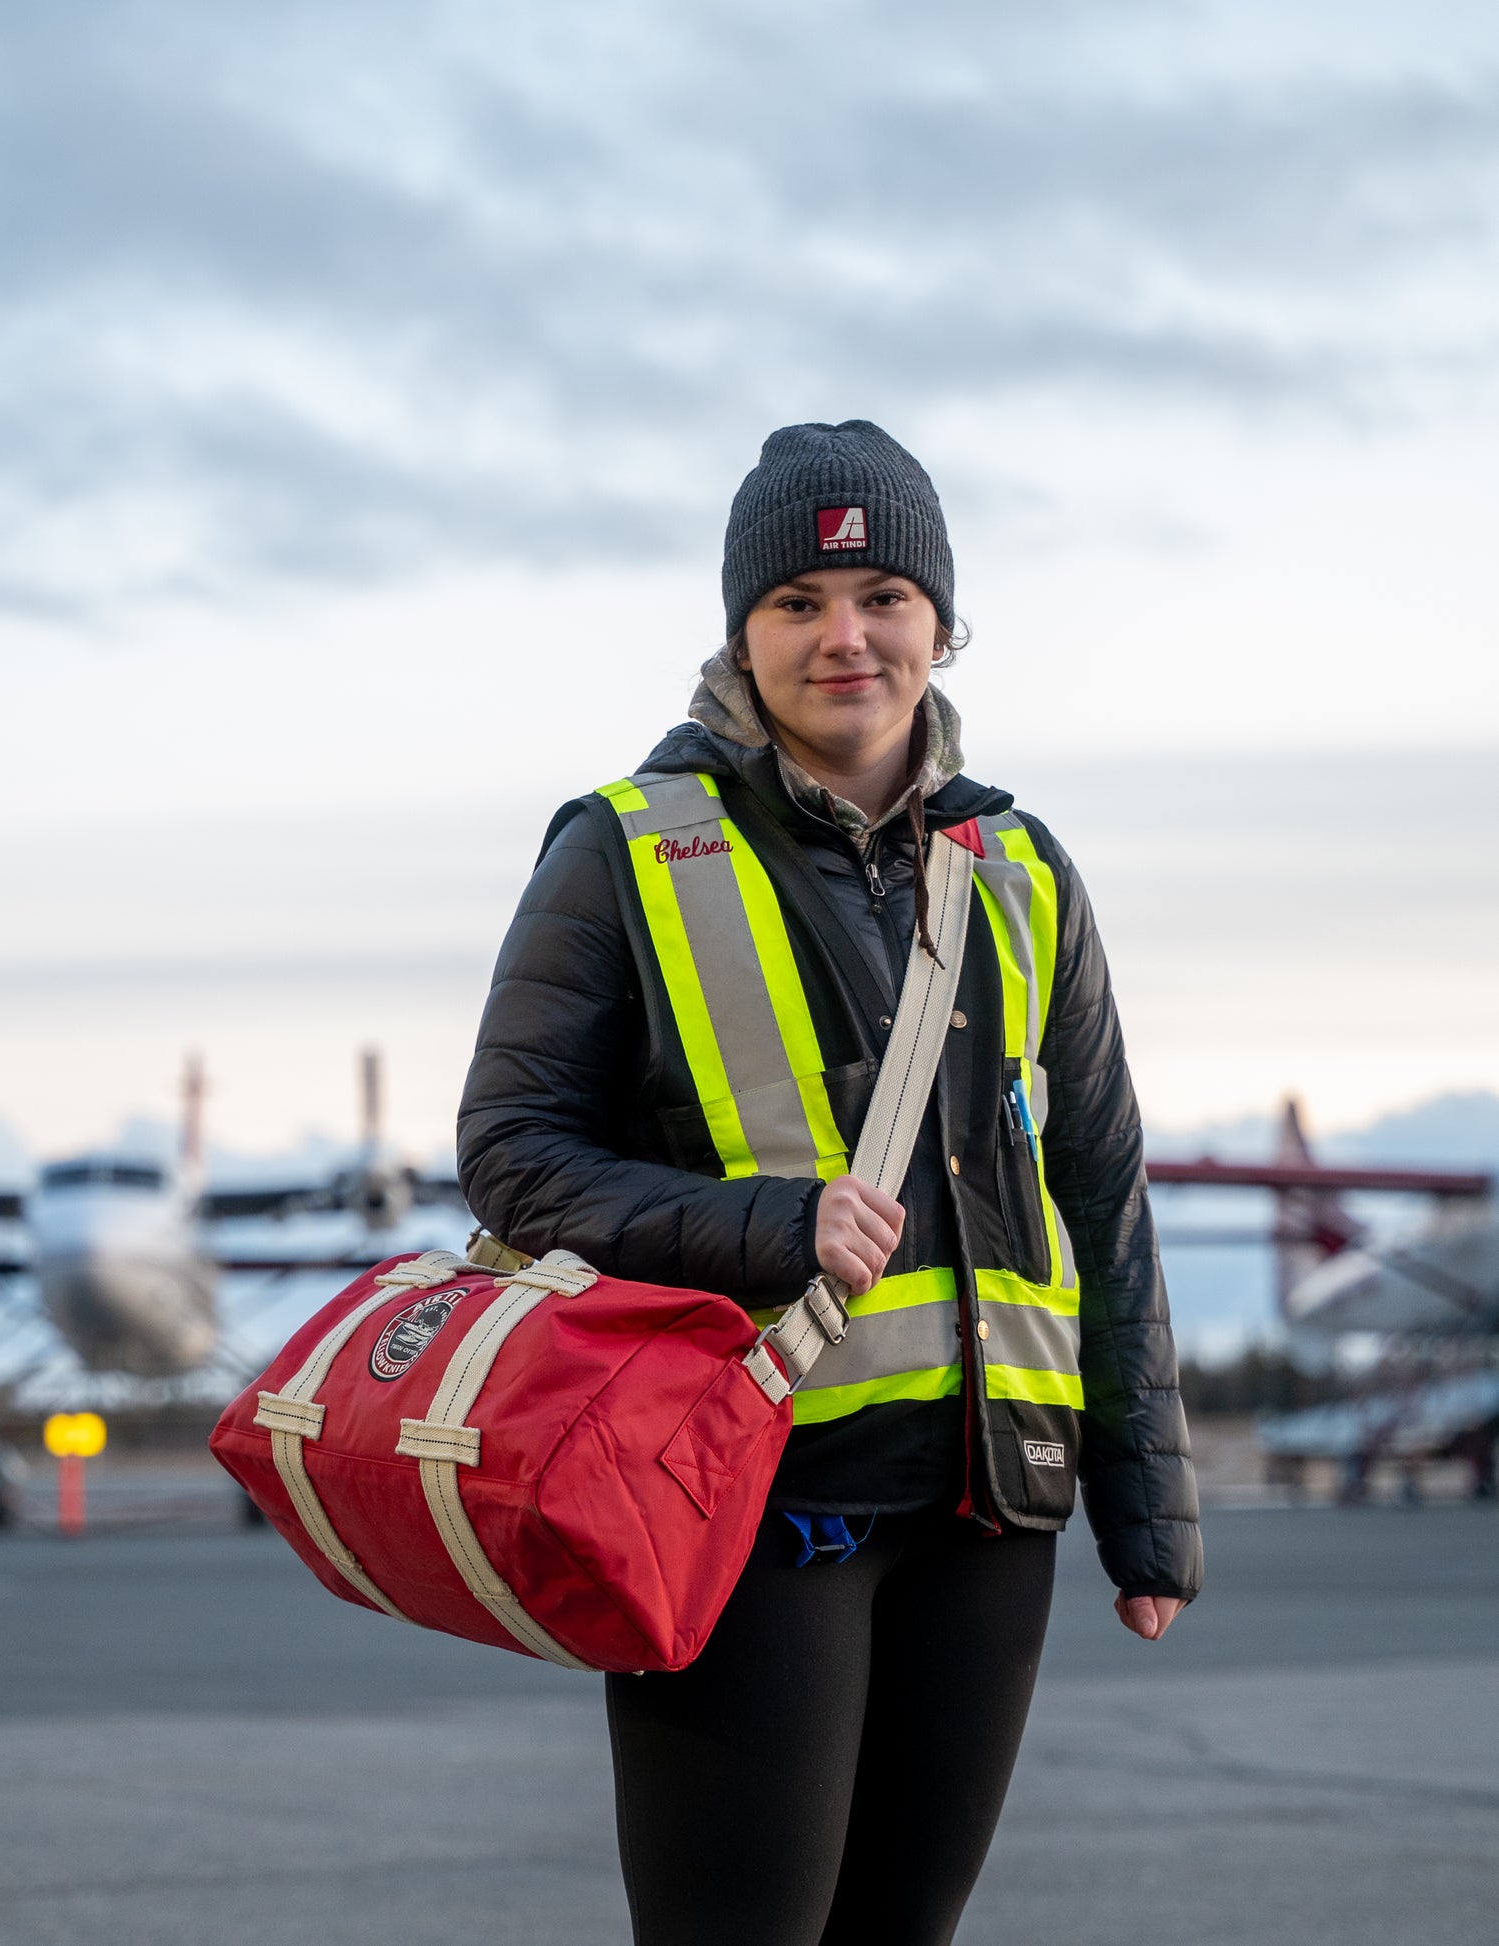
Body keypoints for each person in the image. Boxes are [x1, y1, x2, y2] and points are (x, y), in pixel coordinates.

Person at [456, 420, 1202, 1946]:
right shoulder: (621, 850)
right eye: (796, 599)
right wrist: (766, 1226)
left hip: (988, 1512)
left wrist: (1145, 1505)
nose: (841, 635)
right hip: (745, 1499)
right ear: (740, 630)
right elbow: (509, 1156)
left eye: (878, 592)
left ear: (938, 619)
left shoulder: (1022, 866)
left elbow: (1100, 1188)